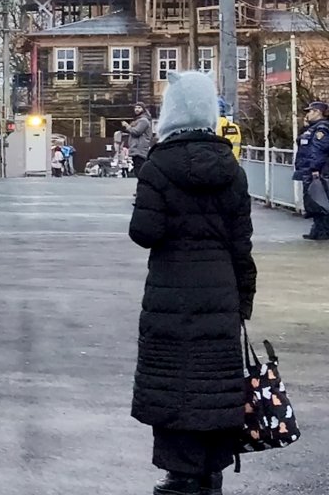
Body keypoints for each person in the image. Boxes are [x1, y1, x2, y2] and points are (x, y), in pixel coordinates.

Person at [129, 71, 255, 495]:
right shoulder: (232, 170)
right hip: (220, 291)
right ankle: (211, 473)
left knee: (174, 383)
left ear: (170, 114)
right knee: (215, 385)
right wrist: (243, 299)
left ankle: (181, 477)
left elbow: (144, 233)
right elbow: (242, 244)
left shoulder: (158, 167)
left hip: (171, 291)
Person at [293, 101, 329, 240]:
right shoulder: (313, 128)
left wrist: (315, 168)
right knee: (314, 202)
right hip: (310, 170)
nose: (307, 114)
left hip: (318, 172)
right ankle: (317, 230)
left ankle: (323, 232)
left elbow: (319, 150)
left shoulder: (322, 129)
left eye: (310, 111)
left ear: (317, 112)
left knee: (320, 201)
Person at [122, 102, 154, 177]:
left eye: (139, 108)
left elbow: (136, 132)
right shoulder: (138, 120)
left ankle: (144, 187)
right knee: (138, 169)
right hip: (137, 149)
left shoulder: (144, 120)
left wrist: (127, 126)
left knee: (140, 170)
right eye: (136, 108)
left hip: (139, 149)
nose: (137, 109)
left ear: (143, 109)